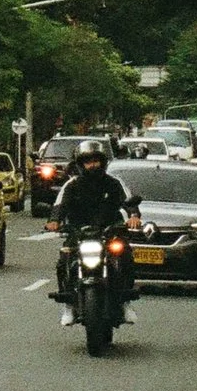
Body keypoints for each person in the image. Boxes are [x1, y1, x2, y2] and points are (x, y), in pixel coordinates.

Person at [47, 138, 141, 326]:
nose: (92, 165)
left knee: (126, 255)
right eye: (88, 161)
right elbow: (59, 206)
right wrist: (54, 221)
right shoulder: (72, 185)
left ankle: (125, 302)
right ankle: (68, 305)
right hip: (78, 232)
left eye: (96, 161)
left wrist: (133, 216)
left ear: (103, 162)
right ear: (81, 164)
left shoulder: (114, 183)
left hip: (109, 230)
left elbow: (128, 201)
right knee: (64, 258)